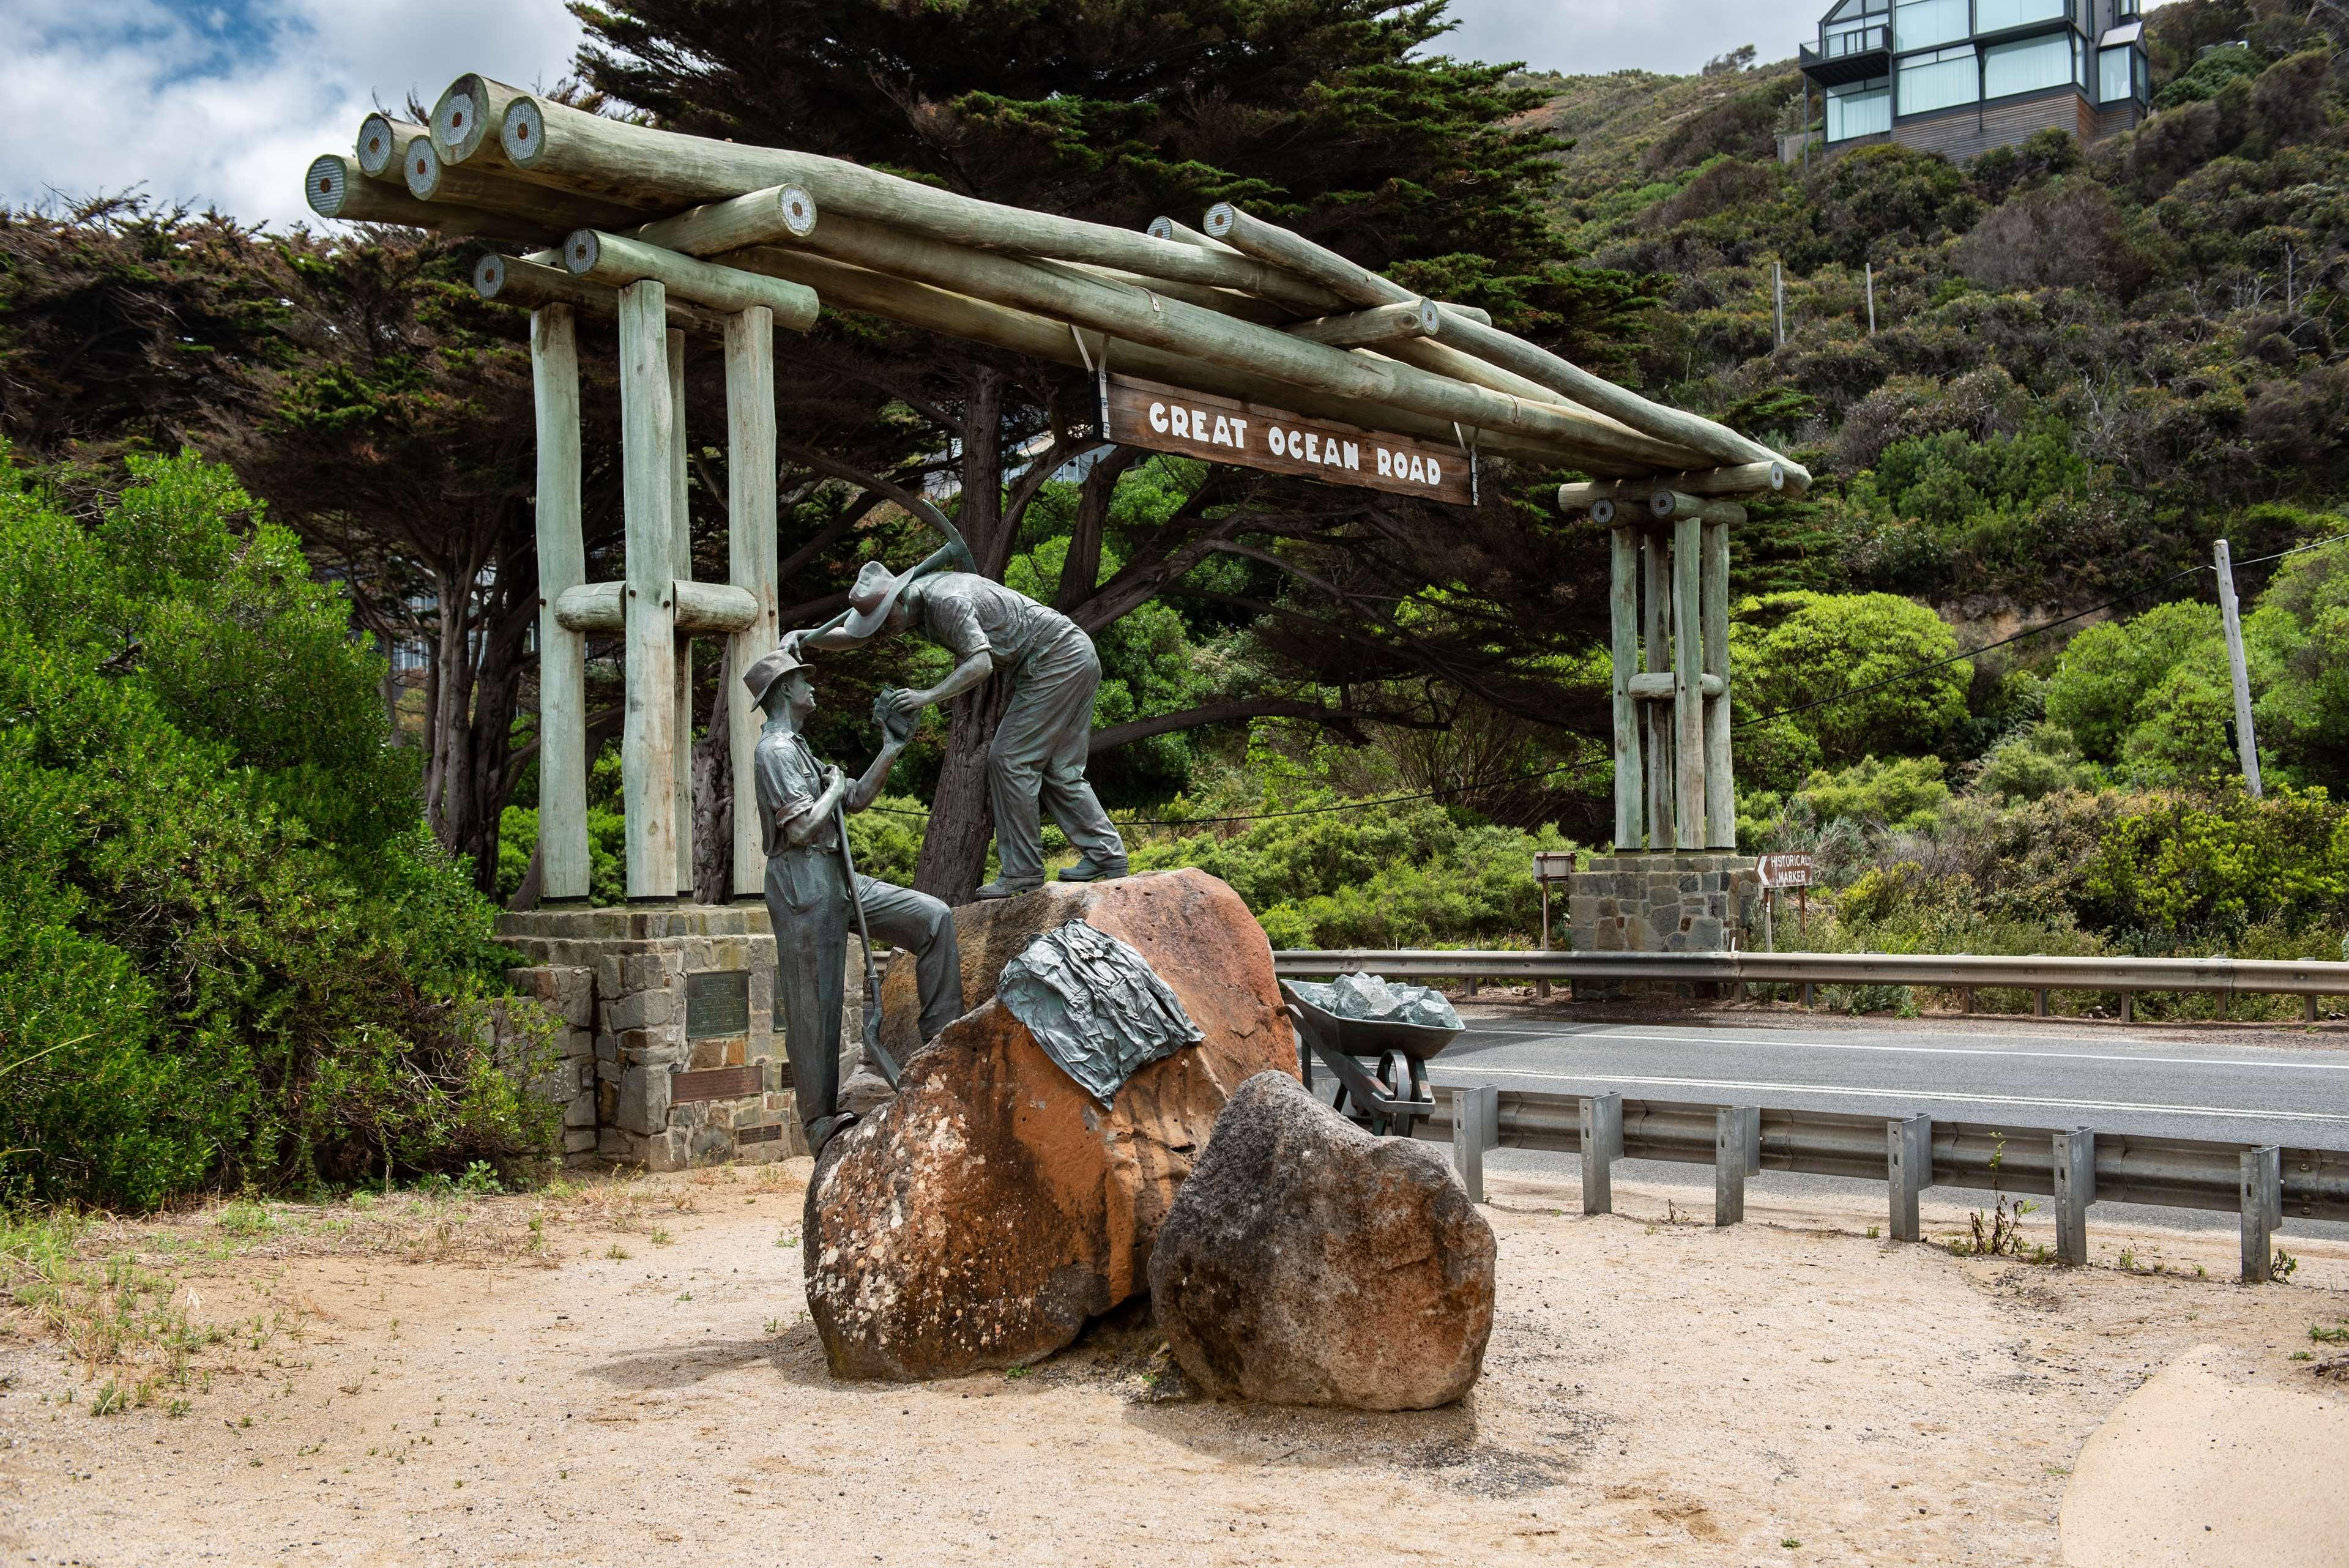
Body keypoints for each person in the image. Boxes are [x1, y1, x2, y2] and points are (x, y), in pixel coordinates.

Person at [788, 561, 1128, 899]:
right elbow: (854, 636)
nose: (884, 630)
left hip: (1056, 658)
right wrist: (807, 638)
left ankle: (1023, 872)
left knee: (1010, 760)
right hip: (1070, 654)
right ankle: (1105, 856)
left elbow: (980, 664)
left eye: (884, 621)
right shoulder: (911, 604)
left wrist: (928, 696)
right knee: (1060, 770)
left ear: (901, 599)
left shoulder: (948, 602)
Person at [742, 644, 962, 1156]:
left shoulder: (799, 747)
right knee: (814, 1002)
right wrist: (834, 789)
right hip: (801, 883)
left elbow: (855, 799)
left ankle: (942, 1045)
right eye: (803, 680)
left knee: (933, 919)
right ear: (782, 692)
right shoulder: (773, 751)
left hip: (836, 875)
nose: (812, 686)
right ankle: (819, 1120)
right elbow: (799, 828)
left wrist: (889, 747)